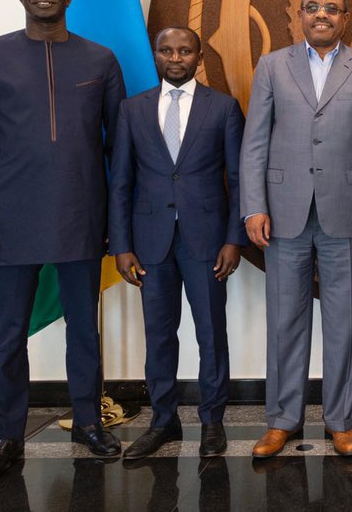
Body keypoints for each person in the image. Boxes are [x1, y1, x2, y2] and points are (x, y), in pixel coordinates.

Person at [0, 0, 126, 485]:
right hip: (11, 220)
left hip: (82, 217)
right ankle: (5, 437)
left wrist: (115, 225)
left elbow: (119, 151)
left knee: (84, 333)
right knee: (8, 336)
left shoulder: (101, 59)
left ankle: (89, 422)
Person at [240, 0, 352, 458]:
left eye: (331, 7)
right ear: (300, 17)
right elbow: (255, 142)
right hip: (283, 211)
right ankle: (282, 420)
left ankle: (340, 420)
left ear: (345, 17)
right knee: (285, 321)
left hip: (346, 210)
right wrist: (253, 205)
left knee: (343, 322)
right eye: (313, 8)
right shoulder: (272, 65)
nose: (322, 14)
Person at [108, 27, 246, 459]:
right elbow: (120, 183)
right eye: (166, 50)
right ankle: (163, 421)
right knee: (159, 335)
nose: (175, 58)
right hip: (150, 242)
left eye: (184, 50)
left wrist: (233, 239)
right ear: (155, 55)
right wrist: (121, 245)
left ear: (198, 56)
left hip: (207, 241)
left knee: (211, 334)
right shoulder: (132, 110)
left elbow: (239, 179)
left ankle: (212, 421)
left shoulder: (223, 108)